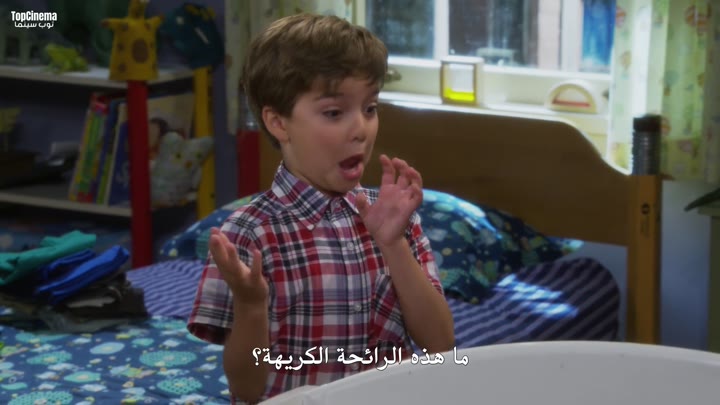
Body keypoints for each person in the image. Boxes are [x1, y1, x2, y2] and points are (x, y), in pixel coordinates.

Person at [187, 13, 454, 404]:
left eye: (370, 108)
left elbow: (441, 346)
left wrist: (393, 244)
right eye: (334, 112)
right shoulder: (248, 234)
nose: (361, 129)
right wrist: (251, 305)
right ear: (279, 123)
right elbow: (245, 388)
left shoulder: (396, 220)